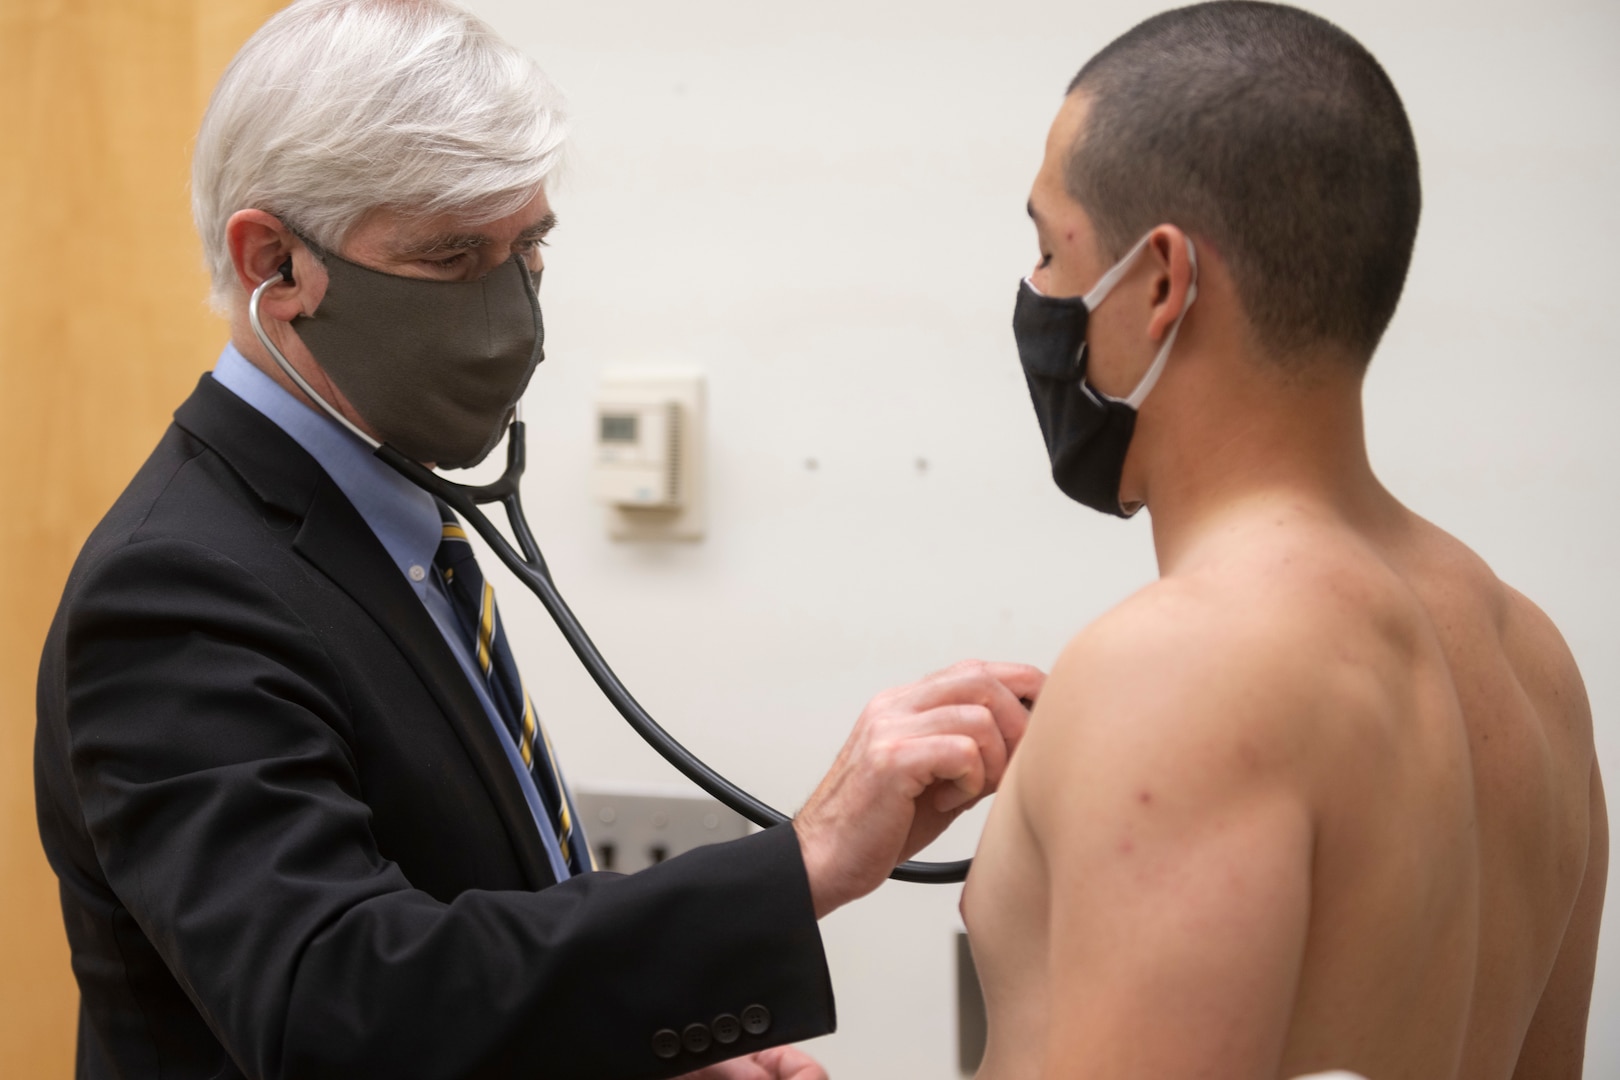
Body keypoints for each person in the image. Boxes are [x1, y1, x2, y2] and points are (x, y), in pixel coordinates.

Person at [33, 3, 1042, 1078]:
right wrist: (803, 863)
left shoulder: (385, 522)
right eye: (453, 254)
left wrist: (630, 1054)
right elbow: (337, 1006)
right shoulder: (177, 587)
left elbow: (462, 955)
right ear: (275, 262)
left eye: (530, 246)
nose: (515, 315)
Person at [961, 3, 1607, 1078]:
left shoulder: (1181, 669)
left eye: (1049, 248)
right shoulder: (1532, 660)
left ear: (1163, 283)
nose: (1040, 296)